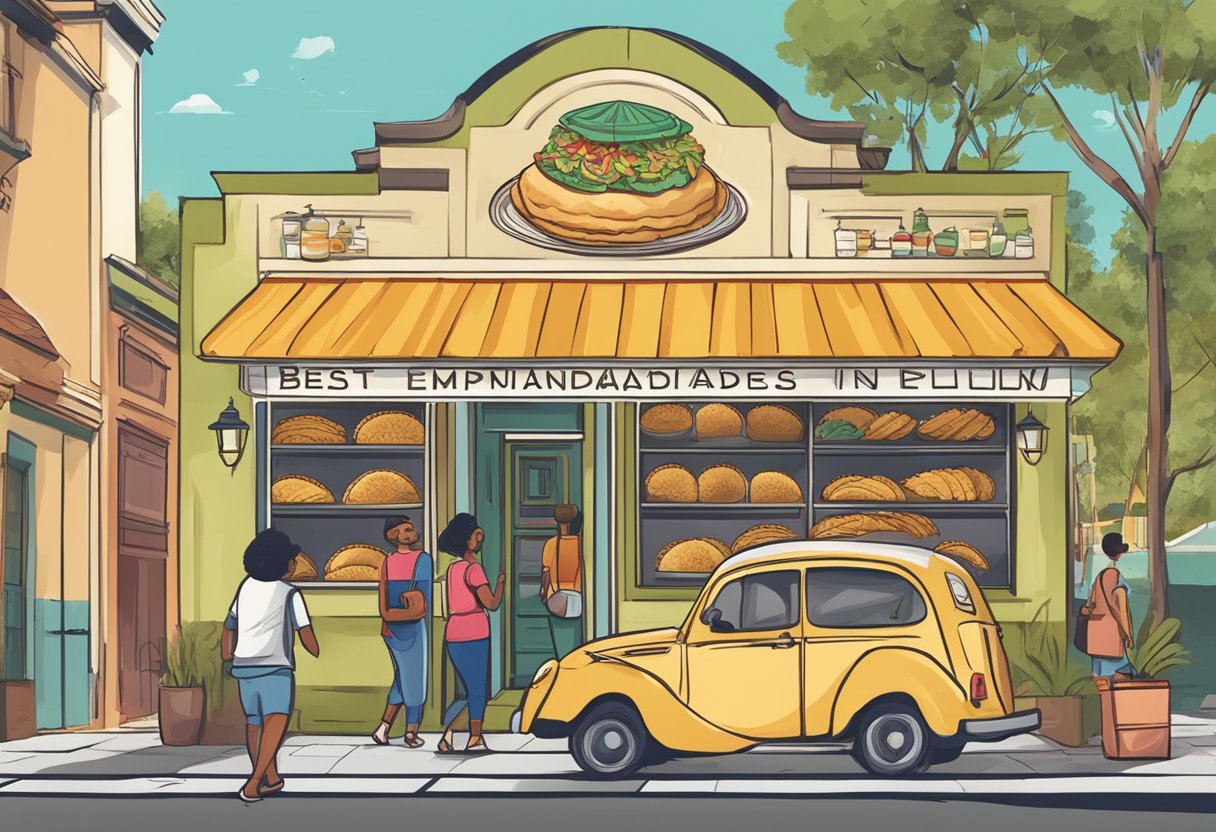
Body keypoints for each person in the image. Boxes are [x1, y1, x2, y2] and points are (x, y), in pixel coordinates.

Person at [221, 528, 320, 802]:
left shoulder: (245, 586)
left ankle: (270, 776)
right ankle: (253, 783)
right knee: (276, 721)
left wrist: (228, 655)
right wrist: (316, 649)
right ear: (282, 563)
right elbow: (305, 630)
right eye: (291, 559)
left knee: (254, 722)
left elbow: (230, 625)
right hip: (276, 666)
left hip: (244, 665)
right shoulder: (289, 593)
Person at [436, 512, 504, 754]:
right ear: (469, 538)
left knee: (467, 688)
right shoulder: (474, 570)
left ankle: (451, 735)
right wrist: (501, 584)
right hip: (475, 632)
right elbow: (492, 604)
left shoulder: (453, 570)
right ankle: (473, 737)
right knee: (477, 689)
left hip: (453, 634)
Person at [372, 516, 433, 748]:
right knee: (415, 678)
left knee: (402, 678)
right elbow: (423, 598)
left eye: (411, 528)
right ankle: (410, 732)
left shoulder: (386, 562)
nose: (411, 532)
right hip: (414, 626)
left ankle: (384, 727)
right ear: (392, 535)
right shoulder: (423, 559)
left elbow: (383, 599)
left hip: (391, 628)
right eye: (406, 530)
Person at [1084, 532, 1135, 681]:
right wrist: (1128, 634)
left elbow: (1090, 603)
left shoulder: (1099, 577)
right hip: (1112, 636)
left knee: (1100, 680)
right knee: (1122, 676)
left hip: (1096, 637)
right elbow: (1122, 608)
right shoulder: (1117, 577)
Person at [540, 503, 584, 659]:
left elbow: (546, 575)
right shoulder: (583, 543)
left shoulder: (551, 544)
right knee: (578, 647)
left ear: (560, 523)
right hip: (580, 599)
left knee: (562, 648)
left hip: (556, 600)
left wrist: (544, 593)